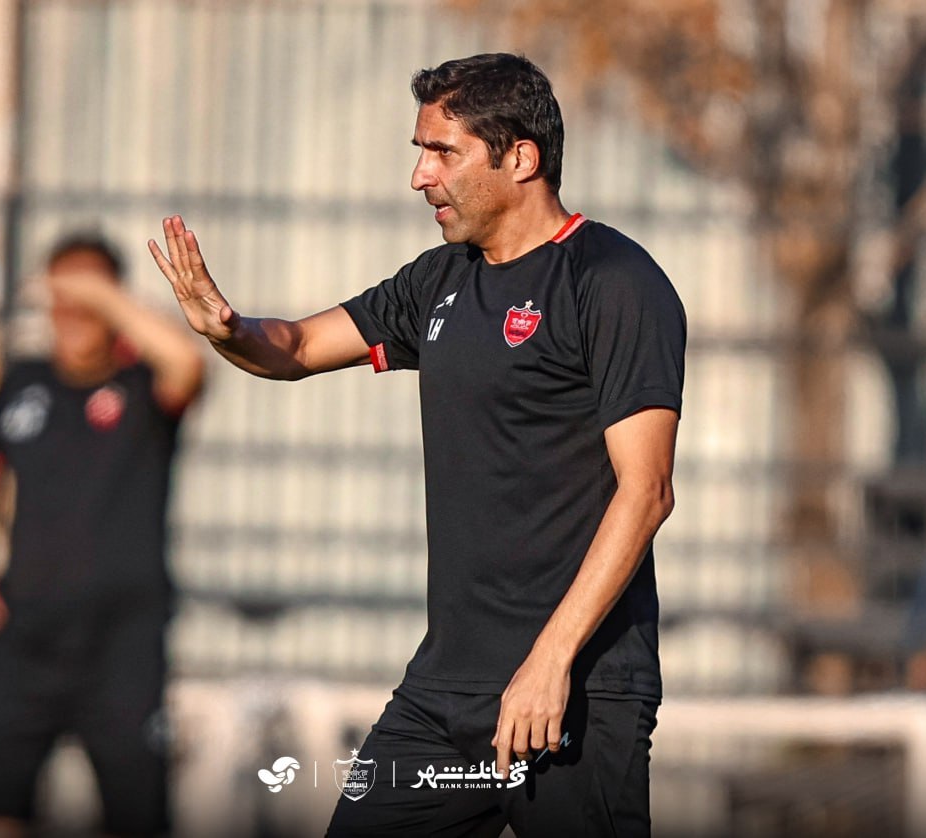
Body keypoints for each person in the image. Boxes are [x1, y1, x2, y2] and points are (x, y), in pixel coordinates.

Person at [150, 53, 684, 837]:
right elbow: (297, 347)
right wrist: (227, 328)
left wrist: (550, 661)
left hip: (573, 686)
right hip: (444, 690)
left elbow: (647, 492)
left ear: (520, 158)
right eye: (419, 151)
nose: (419, 177)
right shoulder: (440, 280)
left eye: (442, 152)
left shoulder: (612, 281)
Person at [0, 232, 205, 837]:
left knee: (136, 814)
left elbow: (188, 365)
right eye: (61, 296)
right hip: (24, 635)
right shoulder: (23, 382)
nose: (70, 311)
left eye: (87, 297)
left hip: (122, 643)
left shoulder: (144, 385)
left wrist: (100, 294)